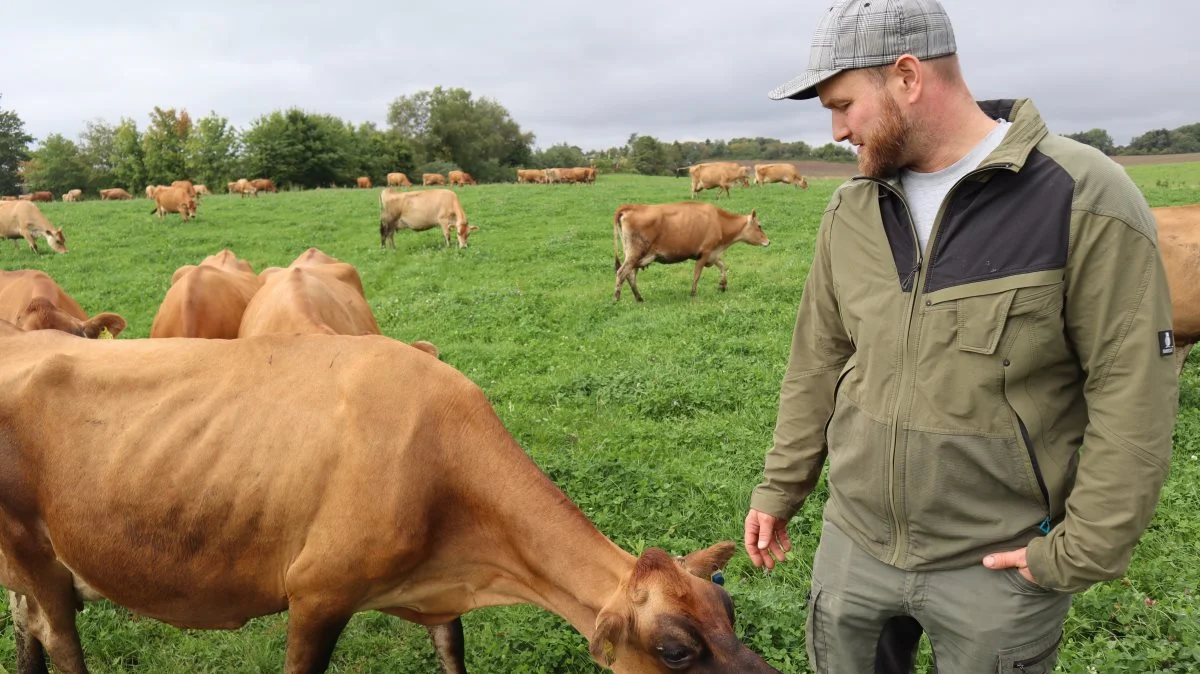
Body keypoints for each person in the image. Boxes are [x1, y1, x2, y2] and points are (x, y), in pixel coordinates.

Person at [743, 0, 1180, 671]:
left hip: (996, 569)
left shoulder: (1081, 196)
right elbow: (817, 361)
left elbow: (1134, 393)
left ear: (909, 77)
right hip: (853, 547)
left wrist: (1077, 552)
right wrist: (781, 489)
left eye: (843, 104)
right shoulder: (851, 208)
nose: (834, 131)